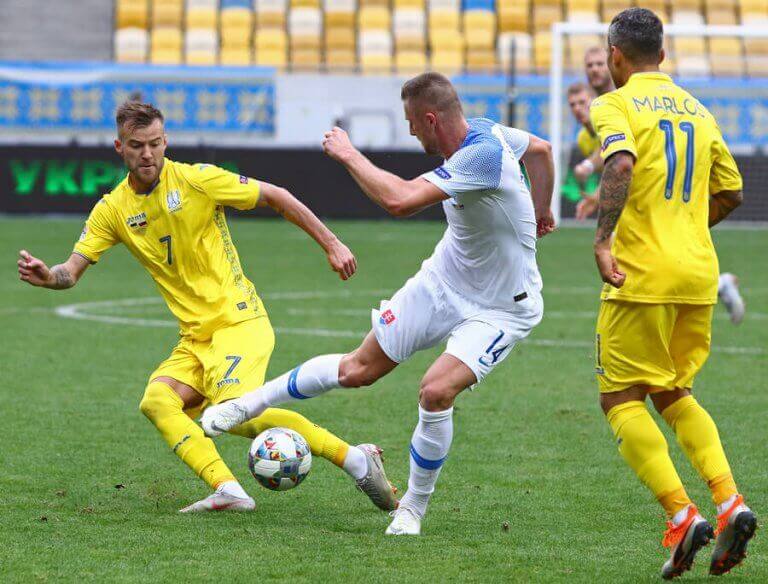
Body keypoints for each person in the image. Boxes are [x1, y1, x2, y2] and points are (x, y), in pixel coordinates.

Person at [201, 72, 555, 535]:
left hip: (503, 307)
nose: (409, 131)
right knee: (357, 370)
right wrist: (545, 209)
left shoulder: (482, 155)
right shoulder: (490, 130)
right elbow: (543, 150)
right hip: (445, 279)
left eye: (412, 122)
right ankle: (246, 406)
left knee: (435, 391)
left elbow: (400, 200)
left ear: (430, 119)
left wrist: (348, 153)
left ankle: (411, 508)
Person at [17, 101, 398, 514]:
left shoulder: (198, 181)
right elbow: (70, 272)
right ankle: (229, 490)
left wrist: (332, 243)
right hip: (195, 337)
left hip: (239, 322)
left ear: (166, 142)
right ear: (119, 147)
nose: (147, 153)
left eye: (155, 143)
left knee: (235, 414)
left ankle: (356, 460)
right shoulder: (113, 209)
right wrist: (48, 277)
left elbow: (276, 195)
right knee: (158, 401)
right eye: (136, 145)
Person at [589, 8, 756, 578]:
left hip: (641, 275)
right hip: (698, 275)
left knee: (619, 398)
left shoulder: (615, 104)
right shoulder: (700, 110)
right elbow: (731, 190)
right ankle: (729, 499)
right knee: (673, 390)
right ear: (663, 54)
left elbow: (621, 163)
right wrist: (686, 230)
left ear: (616, 55)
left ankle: (682, 516)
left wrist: (605, 238)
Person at [566, 82, 601, 220]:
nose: (577, 108)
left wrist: (588, 165)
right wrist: (597, 196)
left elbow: (611, 152)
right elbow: (611, 168)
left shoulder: (609, 123)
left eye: (582, 102)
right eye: (572, 105)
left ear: (594, 101)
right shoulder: (582, 139)